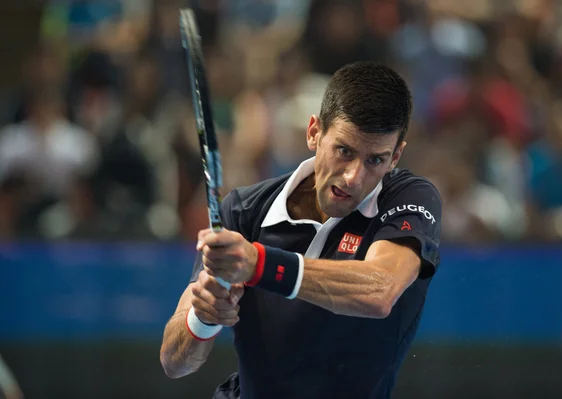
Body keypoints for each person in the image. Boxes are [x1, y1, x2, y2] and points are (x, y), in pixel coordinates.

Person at [160, 61, 442, 399]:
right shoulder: (244, 211)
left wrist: (259, 264)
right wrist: (202, 318)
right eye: (344, 151)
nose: (354, 177)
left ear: (396, 156)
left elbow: (379, 291)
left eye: (375, 160)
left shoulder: (409, 198)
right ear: (314, 133)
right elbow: (174, 362)